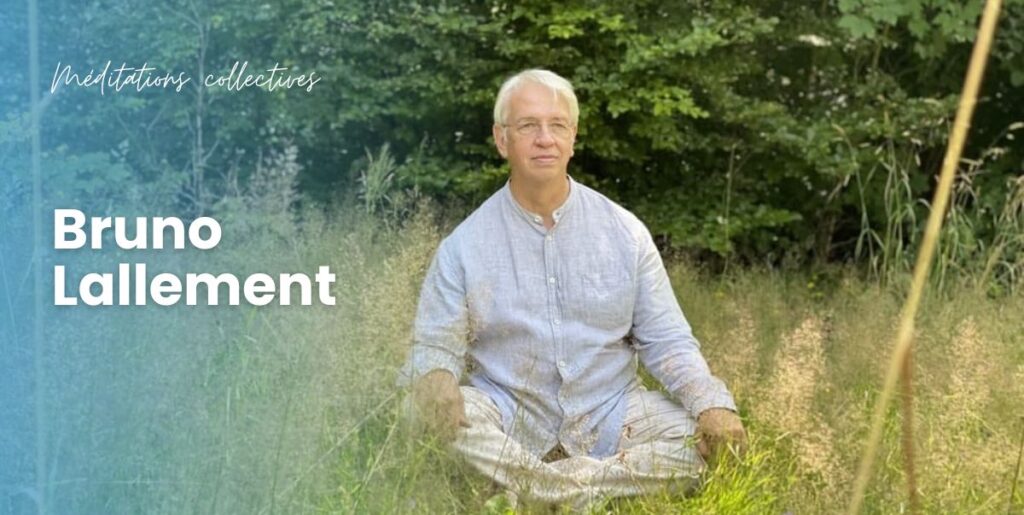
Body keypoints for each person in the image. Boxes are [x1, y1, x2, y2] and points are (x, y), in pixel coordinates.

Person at [400, 69, 746, 508]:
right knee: (418, 414)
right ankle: (585, 489)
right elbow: (434, 340)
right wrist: (435, 375)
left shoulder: (625, 233)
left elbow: (669, 341)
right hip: (509, 414)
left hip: (613, 413)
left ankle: (534, 489)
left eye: (557, 125)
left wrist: (712, 404)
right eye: (528, 126)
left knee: (706, 441)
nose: (545, 138)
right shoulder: (463, 247)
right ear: (502, 139)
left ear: (573, 137)